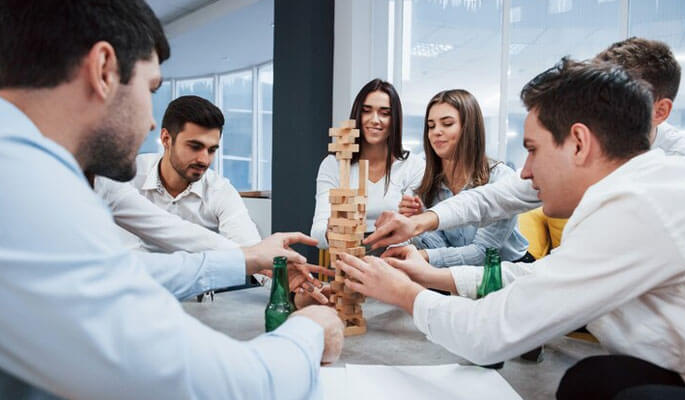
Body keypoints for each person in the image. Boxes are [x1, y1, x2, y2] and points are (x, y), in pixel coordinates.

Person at [0, 1, 342, 398]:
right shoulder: (26, 187)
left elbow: (128, 268)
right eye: (150, 88)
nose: (148, 121)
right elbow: (226, 388)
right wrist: (311, 331)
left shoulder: (35, 166)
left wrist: (250, 257)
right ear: (104, 70)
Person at [338, 59, 685, 399]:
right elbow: (536, 271)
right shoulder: (640, 187)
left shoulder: (633, 209)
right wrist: (431, 273)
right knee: (588, 381)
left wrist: (404, 293)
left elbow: (490, 332)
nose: (525, 171)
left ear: (579, 143)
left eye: (532, 150)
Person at [364, 37, 685, 250]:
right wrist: (422, 222)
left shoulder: (684, 173)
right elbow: (497, 198)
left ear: (660, 111)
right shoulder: (571, 164)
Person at [95, 95, 261, 251]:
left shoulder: (220, 191)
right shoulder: (126, 176)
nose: (204, 160)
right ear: (166, 139)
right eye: (195, 147)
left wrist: (272, 269)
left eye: (211, 150)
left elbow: (251, 249)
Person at [397, 89, 529, 267]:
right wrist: (420, 223)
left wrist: (423, 254)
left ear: (469, 128)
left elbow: (483, 253)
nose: (436, 132)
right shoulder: (426, 183)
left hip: (505, 270)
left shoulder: (501, 179)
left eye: (447, 123)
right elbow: (442, 247)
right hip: (459, 272)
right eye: (431, 125)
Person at [310, 79, 425, 250]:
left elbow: (415, 234)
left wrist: (415, 218)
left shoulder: (413, 166)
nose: (375, 120)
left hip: (394, 257)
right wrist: (333, 230)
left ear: (395, 120)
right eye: (366, 111)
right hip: (347, 258)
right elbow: (317, 234)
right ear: (358, 114)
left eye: (384, 113)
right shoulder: (334, 164)